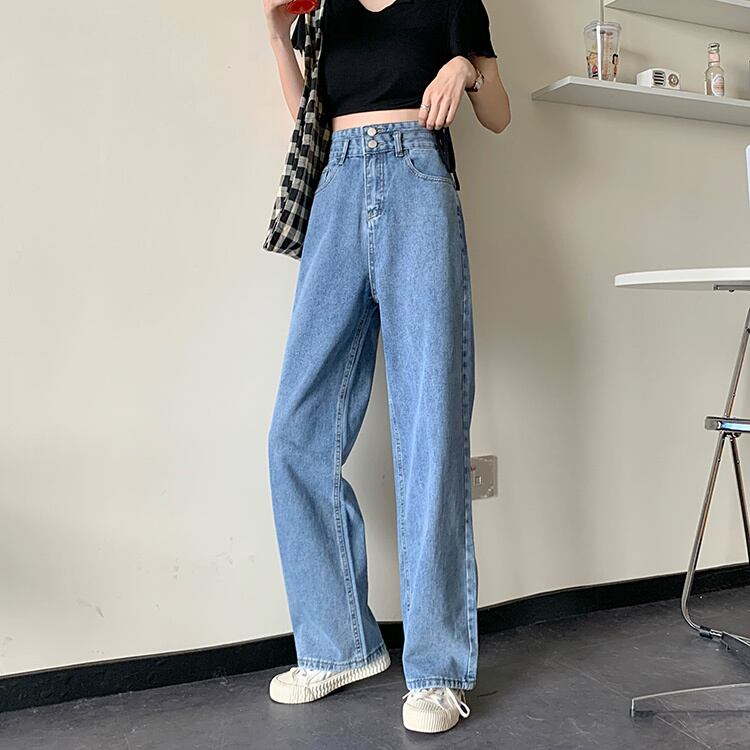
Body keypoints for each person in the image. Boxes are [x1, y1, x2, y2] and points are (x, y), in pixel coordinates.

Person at [263, 0, 510, 734]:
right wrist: (275, 33)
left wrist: (465, 67)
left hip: (417, 180)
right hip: (337, 186)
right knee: (296, 433)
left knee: (430, 433)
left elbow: (498, 115)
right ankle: (337, 645)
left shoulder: (452, 2)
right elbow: (306, 118)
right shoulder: (329, 9)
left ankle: (437, 672)